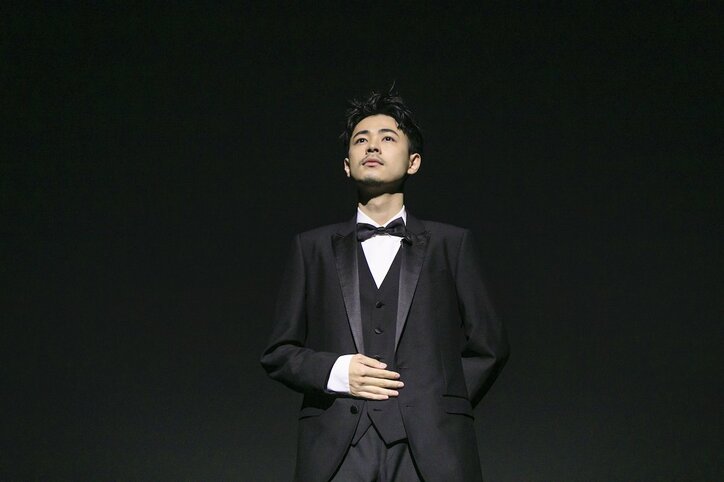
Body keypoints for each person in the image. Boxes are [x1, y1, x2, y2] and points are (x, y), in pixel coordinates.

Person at [261, 89, 509, 481]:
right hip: (337, 449)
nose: (372, 146)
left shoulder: (452, 244)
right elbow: (279, 351)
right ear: (347, 165)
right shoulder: (311, 248)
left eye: (387, 137)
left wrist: (438, 402)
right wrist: (338, 371)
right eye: (361, 139)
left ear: (414, 161)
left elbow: (489, 345)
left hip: (432, 450)